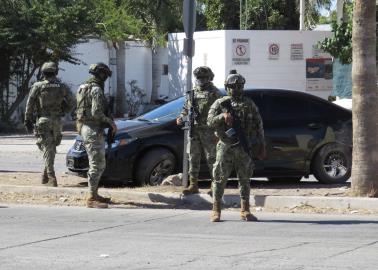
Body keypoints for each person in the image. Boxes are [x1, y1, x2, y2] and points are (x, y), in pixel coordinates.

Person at [207, 72, 266, 222]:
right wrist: (222, 117)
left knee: (245, 179)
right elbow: (209, 121)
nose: (237, 89)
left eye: (240, 86)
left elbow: (259, 126)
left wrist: (261, 146)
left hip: (244, 147)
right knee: (219, 178)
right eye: (233, 86)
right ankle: (216, 210)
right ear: (227, 87)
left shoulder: (249, 104)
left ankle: (245, 210)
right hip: (225, 146)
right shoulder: (220, 103)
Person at [24, 61, 75, 187]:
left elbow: (30, 103)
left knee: (48, 148)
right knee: (51, 147)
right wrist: (64, 111)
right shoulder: (62, 86)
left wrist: (27, 119)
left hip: (43, 120)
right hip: (57, 121)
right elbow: (73, 101)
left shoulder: (38, 86)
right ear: (55, 72)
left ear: (43, 73)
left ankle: (51, 177)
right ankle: (45, 176)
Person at [76, 63, 117, 208]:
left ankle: (94, 193)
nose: (105, 78)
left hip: (85, 127)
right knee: (97, 164)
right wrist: (111, 123)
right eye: (105, 75)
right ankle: (92, 198)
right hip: (93, 129)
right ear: (101, 74)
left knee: (96, 163)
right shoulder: (96, 89)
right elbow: (96, 113)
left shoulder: (82, 87)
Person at [176, 66, 222, 195]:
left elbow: (221, 112)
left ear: (209, 78)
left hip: (209, 131)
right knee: (193, 157)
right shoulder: (192, 93)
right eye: (199, 78)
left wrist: (218, 131)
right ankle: (193, 185)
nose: (201, 80)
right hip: (194, 130)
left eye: (203, 77)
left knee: (212, 159)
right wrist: (181, 117)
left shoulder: (215, 93)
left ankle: (215, 186)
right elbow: (186, 108)